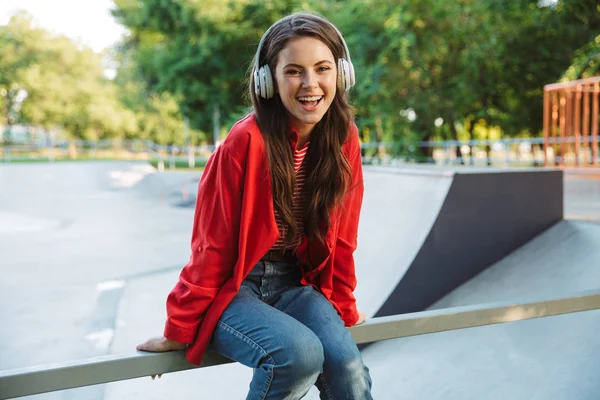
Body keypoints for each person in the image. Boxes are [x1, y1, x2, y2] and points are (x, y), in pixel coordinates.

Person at [137, 11, 373, 400]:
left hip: (294, 284)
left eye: (322, 68)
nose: (310, 84)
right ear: (268, 81)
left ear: (342, 74)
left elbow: (343, 237)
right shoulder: (246, 141)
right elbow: (211, 246)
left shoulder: (343, 137)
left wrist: (343, 307)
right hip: (234, 289)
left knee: (349, 372)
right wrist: (178, 329)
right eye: (294, 71)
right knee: (298, 355)